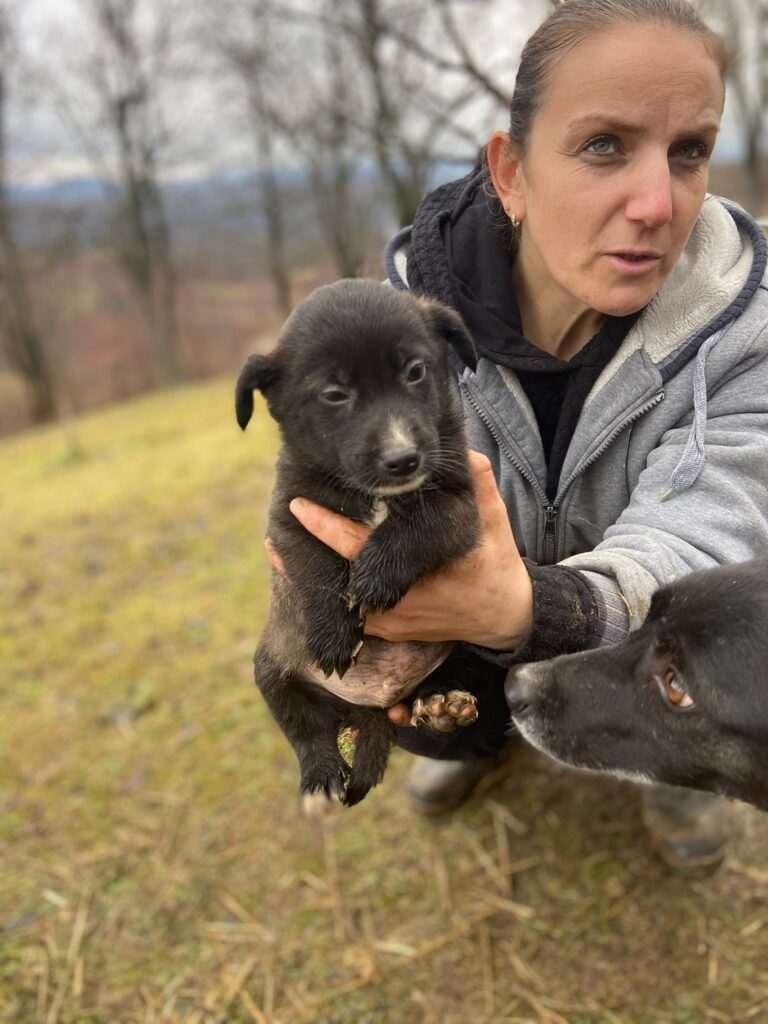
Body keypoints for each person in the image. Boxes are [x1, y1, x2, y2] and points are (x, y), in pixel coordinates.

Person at [283, 0, 768, 872]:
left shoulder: (750, 331)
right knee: (432, 713)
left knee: (701, 668)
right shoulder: (399, 338)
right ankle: (472, 733)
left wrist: (538, 609)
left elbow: (716, 528)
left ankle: (677, 760)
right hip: (457, 631)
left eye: (689, 151)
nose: (657, 203)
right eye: (604, 145)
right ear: (510, 172)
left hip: (648, 633)